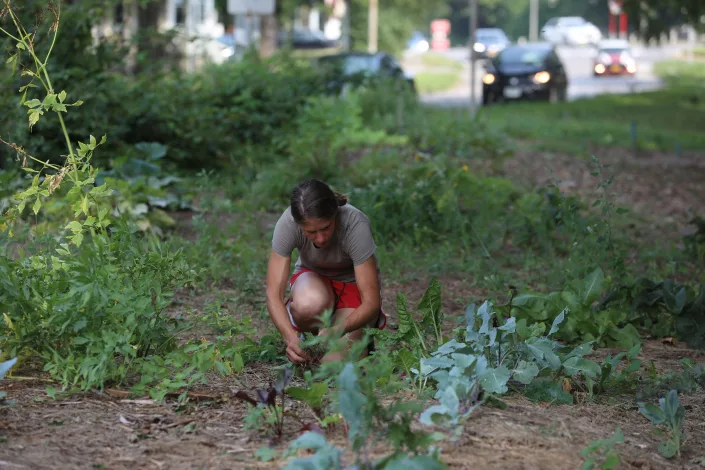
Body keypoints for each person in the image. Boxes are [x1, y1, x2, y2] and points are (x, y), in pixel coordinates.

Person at [266, 179, 386, 364]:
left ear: (335, 214)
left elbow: (371, 302)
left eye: (325, 228)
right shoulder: (288, 223)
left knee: (332, 366)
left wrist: (341, 328)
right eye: (310, 232)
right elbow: (274, 294)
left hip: (352, 287)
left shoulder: (355, 225)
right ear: (299, 226)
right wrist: (289, 337)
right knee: (308, 305)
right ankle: (309, 335)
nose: (320, 238)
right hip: (313, 281)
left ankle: (353, 335)